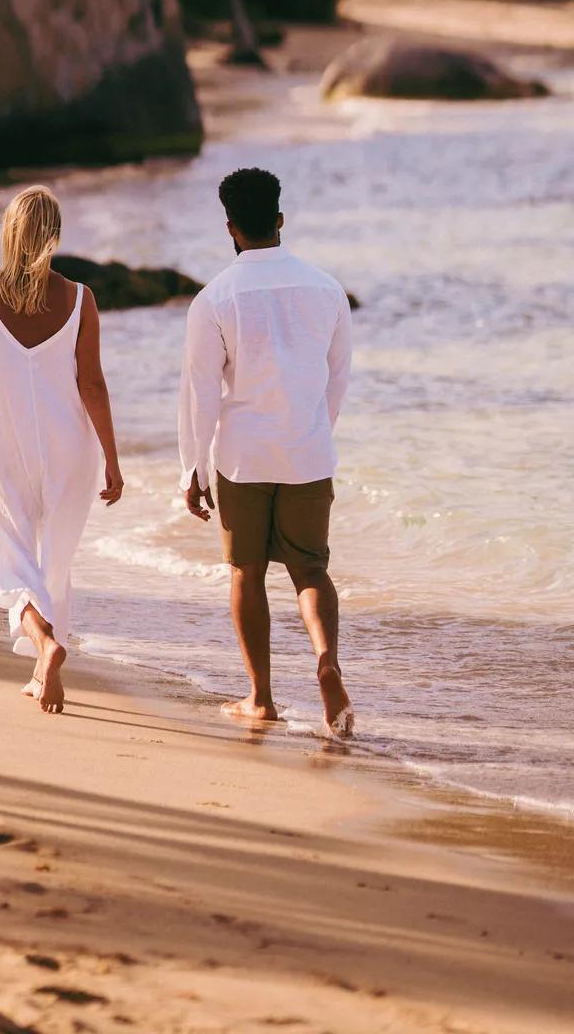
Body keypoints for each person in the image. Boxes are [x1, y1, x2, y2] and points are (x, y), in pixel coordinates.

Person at [179, 166, 354, 735]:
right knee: (310, 568)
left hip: (241, 458)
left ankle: (261, 698)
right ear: (280, 220)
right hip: (307, 452)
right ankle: (325, 658)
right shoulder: (327, 289)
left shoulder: (213, 300)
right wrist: (312, 431)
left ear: (230, 228)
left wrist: (193, 467)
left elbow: (200, 394)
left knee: (246, 572)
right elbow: (337, 379)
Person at [0, 184, 125, 715]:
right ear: (54, 236)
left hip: (5, 444)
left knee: (12, 560)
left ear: (10, 233)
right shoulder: (81, 298)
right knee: (53, 563)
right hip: (70, 449)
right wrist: (113, 461)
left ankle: (44, 647)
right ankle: (46, 661)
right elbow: (93, 386)